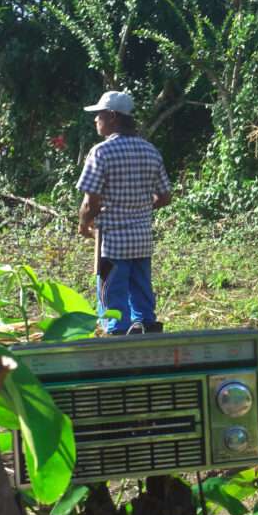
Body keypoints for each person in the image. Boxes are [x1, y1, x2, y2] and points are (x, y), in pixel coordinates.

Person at [77, 91, 172, 335]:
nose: (95, 120)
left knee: (112, 298)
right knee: (142, 294)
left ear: (112, 117)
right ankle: (147, 332)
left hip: (112, 243)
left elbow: (91, 202)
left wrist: (83, 224)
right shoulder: (150, 150)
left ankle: (117, 336)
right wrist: (138, 206)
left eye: (99, 115)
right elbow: (164, 197)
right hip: (141, 240)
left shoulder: (101, 152)